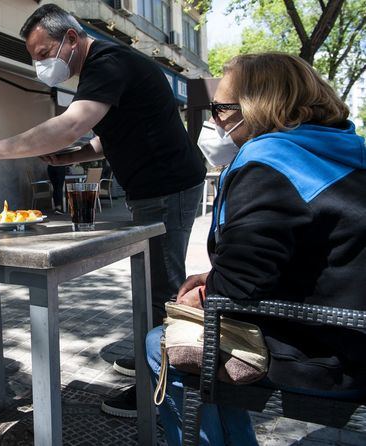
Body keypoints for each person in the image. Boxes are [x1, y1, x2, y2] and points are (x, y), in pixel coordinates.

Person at [0, 3, 206, 416]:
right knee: (148, 283)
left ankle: (159, 388)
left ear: (71, 38)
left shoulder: (108, 61)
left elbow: (72, 123)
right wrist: (74, 157)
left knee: (162, 287)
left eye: (41, 53)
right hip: (152, 188)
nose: (39, 65)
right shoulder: (102, 70)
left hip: (168, 187)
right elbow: (111, 132)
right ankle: (150, 357)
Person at [148, 52, 366, 445]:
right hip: (350, 329)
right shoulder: (347, 148)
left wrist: (206, 291)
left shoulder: (269, 161)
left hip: (332, 356)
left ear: (258, 107)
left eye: (222, 108)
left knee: (163, 343)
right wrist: (215, 278)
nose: (216, 120)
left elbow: (240, 286)